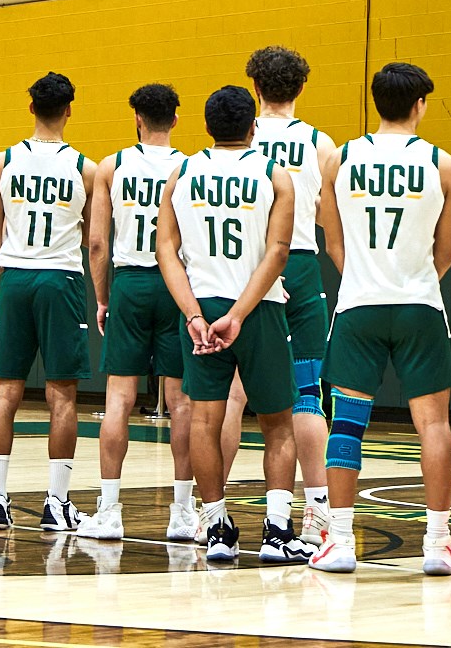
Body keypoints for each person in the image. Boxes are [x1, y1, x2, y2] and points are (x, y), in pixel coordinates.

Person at [308, 63, 451, 577]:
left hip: (358, 304)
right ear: (420, 105)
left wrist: (364, 278)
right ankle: (438, 544)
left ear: (376, 102)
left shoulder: (339, 158)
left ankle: (343, 541)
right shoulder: (444, 164)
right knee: (434, 425)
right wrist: (415, 278)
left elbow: (331, 239)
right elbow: (448, 250)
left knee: (347, 426)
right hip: (420, 303)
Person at [155, 85, 307, 564]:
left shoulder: (182, 172)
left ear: (206, 127)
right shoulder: (274, 174)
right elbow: (279, 252)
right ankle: (278, 532)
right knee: (278, 423)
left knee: (204, 420)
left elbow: (166, 250)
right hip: (256, 308)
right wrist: (239, 314)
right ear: (253, 127)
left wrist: (195, 316)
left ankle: (217, 527)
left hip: (200, 308)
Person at [78, 84, 196, 543]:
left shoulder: (113, 165)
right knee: (183, 403)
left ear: (137, 119)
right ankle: (183, 514)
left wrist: (104, 298)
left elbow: (97, 244)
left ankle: (109, 512)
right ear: (176, 119)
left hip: (130, 281)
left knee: (118, 401)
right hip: (177, 282)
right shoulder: (190, 167)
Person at [0, 73, 95, 532]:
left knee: (6, 390)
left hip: (15, 277)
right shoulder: (85, 167)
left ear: (30, 108)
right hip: (61, 278)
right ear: (69, 109)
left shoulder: (2, 162)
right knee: (62, 393)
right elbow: (95, 237)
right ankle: (57, 502)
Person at [245, 46, 339, 544]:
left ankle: (207, 510)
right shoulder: (320, 145)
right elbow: (329, 217)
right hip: (299, 263)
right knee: (307, 394)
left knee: (230, 393)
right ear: (301, 88)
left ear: (254, 89)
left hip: (244, 270)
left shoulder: (238, 137)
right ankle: (317, 509)